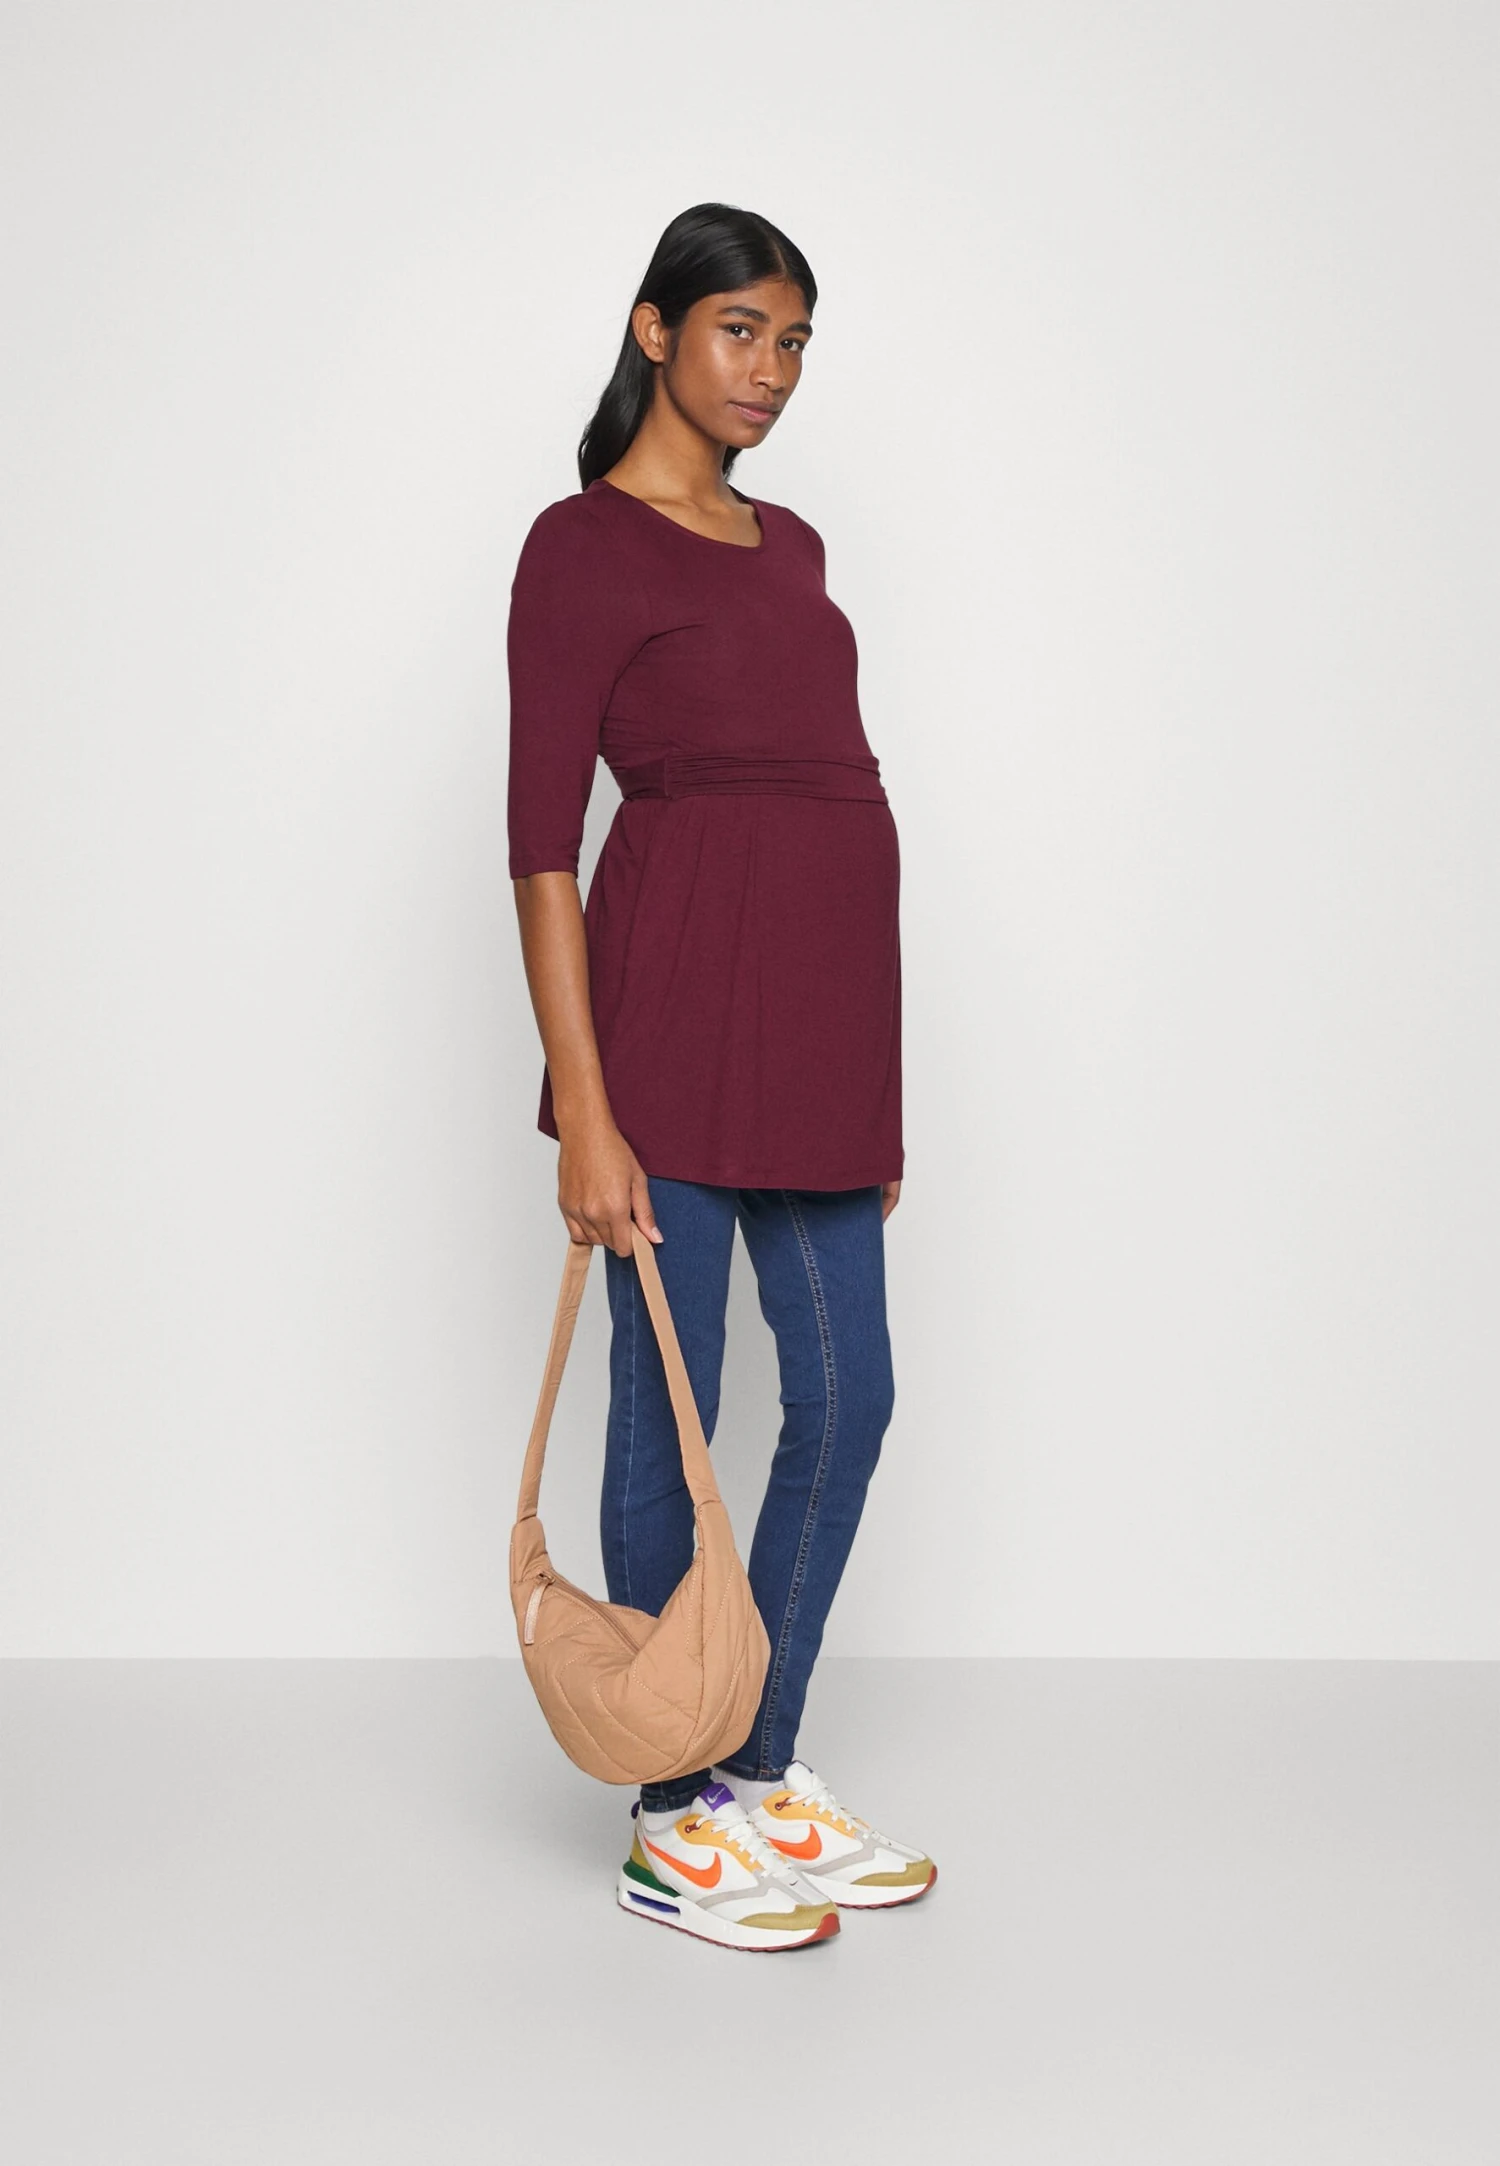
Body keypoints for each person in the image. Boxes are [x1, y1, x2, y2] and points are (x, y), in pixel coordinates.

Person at [506, 202, 936, 1953]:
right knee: (668, 1415)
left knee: (849, 1398)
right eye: (743, 329)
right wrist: (586, 1107)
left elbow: (833, 798)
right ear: (656, 329)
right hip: (668, 1036)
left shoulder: (796, 543)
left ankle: (757, 1760)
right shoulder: (578, 547)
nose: (772, 370)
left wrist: (877, 1085)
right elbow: (544, 847)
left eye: (795, 341)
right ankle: (669, 1805)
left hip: (821, 1040)